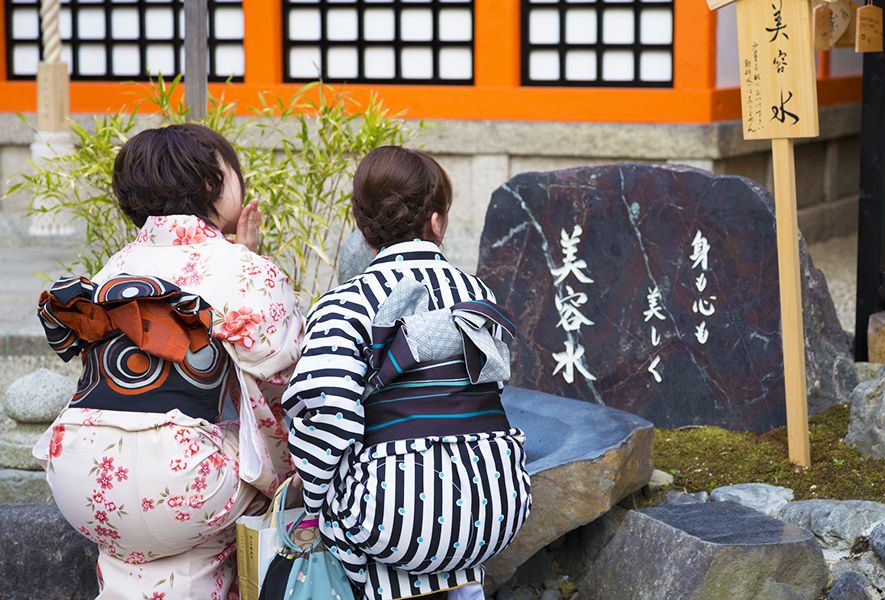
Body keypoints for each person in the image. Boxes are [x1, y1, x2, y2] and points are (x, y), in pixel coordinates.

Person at [32, 124, 304, 599]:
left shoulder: (114, 267)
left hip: (78, 471)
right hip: (183, 477)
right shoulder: (246, 271)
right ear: (210, 185)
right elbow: (284, 375)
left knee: (135, 555)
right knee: (261, 475)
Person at [282, 146, 532, 600]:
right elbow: (492, 385)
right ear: (436, 222)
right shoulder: (476, 293)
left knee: (343, 480)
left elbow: (330, 417)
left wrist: (313, 503)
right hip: (493, 506)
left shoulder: (344, 304)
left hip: (388, 519)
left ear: (363, 228)